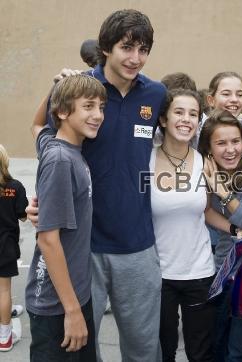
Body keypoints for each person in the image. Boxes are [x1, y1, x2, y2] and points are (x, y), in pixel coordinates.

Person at [28, 9, 167, 361]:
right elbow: (44, 138)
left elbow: (181, 147)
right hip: (84, 248)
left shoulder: (156, 94)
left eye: (143, 49)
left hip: (138, 245)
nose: (135, 58)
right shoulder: (78, 90)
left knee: (143, 351)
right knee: (81, 348)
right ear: (106, 47)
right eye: (126, 48)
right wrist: (43, 202)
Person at [26, 74, 106, 360]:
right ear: (62, 112)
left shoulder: (56, 145)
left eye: (101, 107)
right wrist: (72, 311)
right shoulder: (60, 160)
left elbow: (37, 125)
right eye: (88, 106)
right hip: (56, 304)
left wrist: (55, 88)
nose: (97, 115)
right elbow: (48, 240)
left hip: (75, 295)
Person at [153, 89, 222, 362]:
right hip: (158, 275)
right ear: (163, 119)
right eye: (179, 112)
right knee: (163, 349)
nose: (186, 120)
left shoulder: (205, 163)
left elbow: (206, 211)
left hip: (199, 272)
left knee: (200, 352)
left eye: (193, 114)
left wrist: (236, 229)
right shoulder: (143, 161)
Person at [197, 110, 242, 361]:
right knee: (217, 341)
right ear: (208, 148)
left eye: (235, 141)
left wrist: (224, 194)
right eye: (221, 143)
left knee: (238, 351)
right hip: (222, 268)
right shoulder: (204, 172)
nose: (230, 149)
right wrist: (231, 228)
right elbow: (206, 210)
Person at [0, 145, 27, 352]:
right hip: (5, 247)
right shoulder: (15, 187)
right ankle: (5, 337)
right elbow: (23, 215)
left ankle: (6, 312)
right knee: (4, 290)